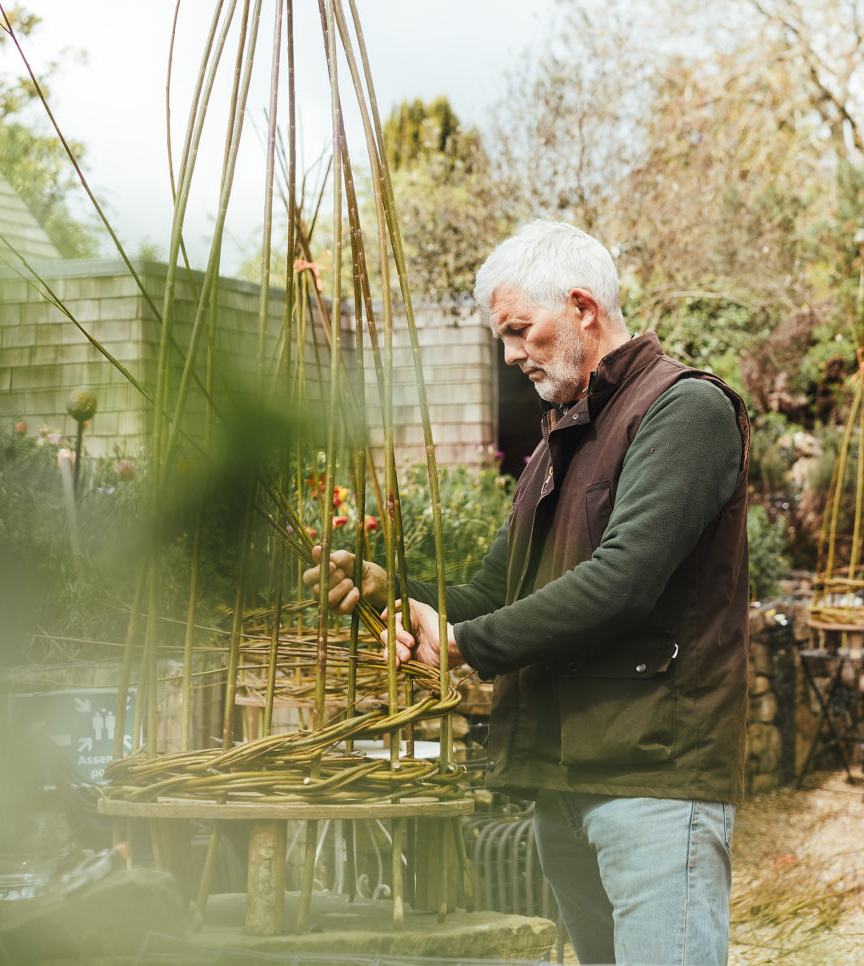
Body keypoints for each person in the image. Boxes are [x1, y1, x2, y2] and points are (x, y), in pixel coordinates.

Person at [303, 219, 750, 966]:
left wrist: (459, 643)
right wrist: (392, 591)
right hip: (560, 769)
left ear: (581, 307)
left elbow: (623, 582)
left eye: (519, 330)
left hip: (653, 773)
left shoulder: (684, 410)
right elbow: (488, 592)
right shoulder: (559, 439)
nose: (510, 355)